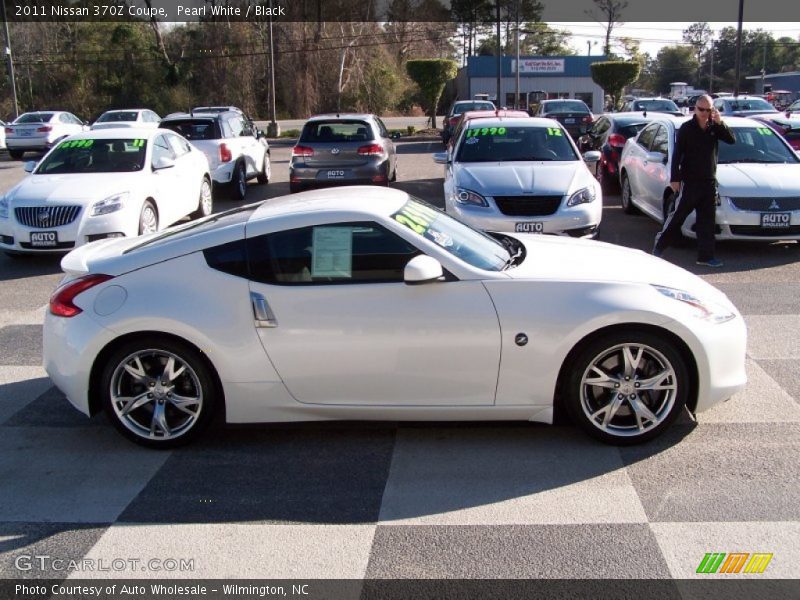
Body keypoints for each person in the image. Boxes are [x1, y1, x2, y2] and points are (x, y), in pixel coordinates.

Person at [653, 95, 735, 268]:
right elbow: (677, 155)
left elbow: (731, 139)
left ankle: (705, 256)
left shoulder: (715, 127)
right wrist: (675, 178)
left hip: (709, 182)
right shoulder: (686, 128)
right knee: (677, 217)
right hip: (690, 182)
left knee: (707, 222)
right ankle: (659, 248)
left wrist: (720, 122)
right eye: (701, 109)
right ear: (695, 109)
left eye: (708, 110)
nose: (705, 113)